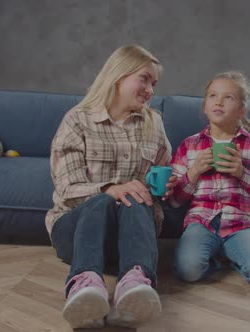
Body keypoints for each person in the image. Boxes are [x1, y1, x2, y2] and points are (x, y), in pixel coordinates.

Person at [46, 45, 172, 329]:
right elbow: (66, 187)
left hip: (132, 237)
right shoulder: (77, 120)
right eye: (144, 78)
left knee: (137, 196)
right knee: (104, 200)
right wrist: (109, 189)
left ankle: (135, 285)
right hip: (77, 233)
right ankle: (84, 286)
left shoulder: (154, 123)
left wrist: (168, 185)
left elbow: (160, 184)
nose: (150, 89)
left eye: (154, 83)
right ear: (119, 75)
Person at [169, 71, 250, 288]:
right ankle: (220, 259)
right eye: (212, 95)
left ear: (242, 109)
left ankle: (234, 255)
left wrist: (243, 173)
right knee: (187, 270)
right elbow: (173, 201)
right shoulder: (189, 145)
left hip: (243, 223)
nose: (218, 101)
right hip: (202, 223)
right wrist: (194, 172)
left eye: (228, 97)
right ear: (204, 105)